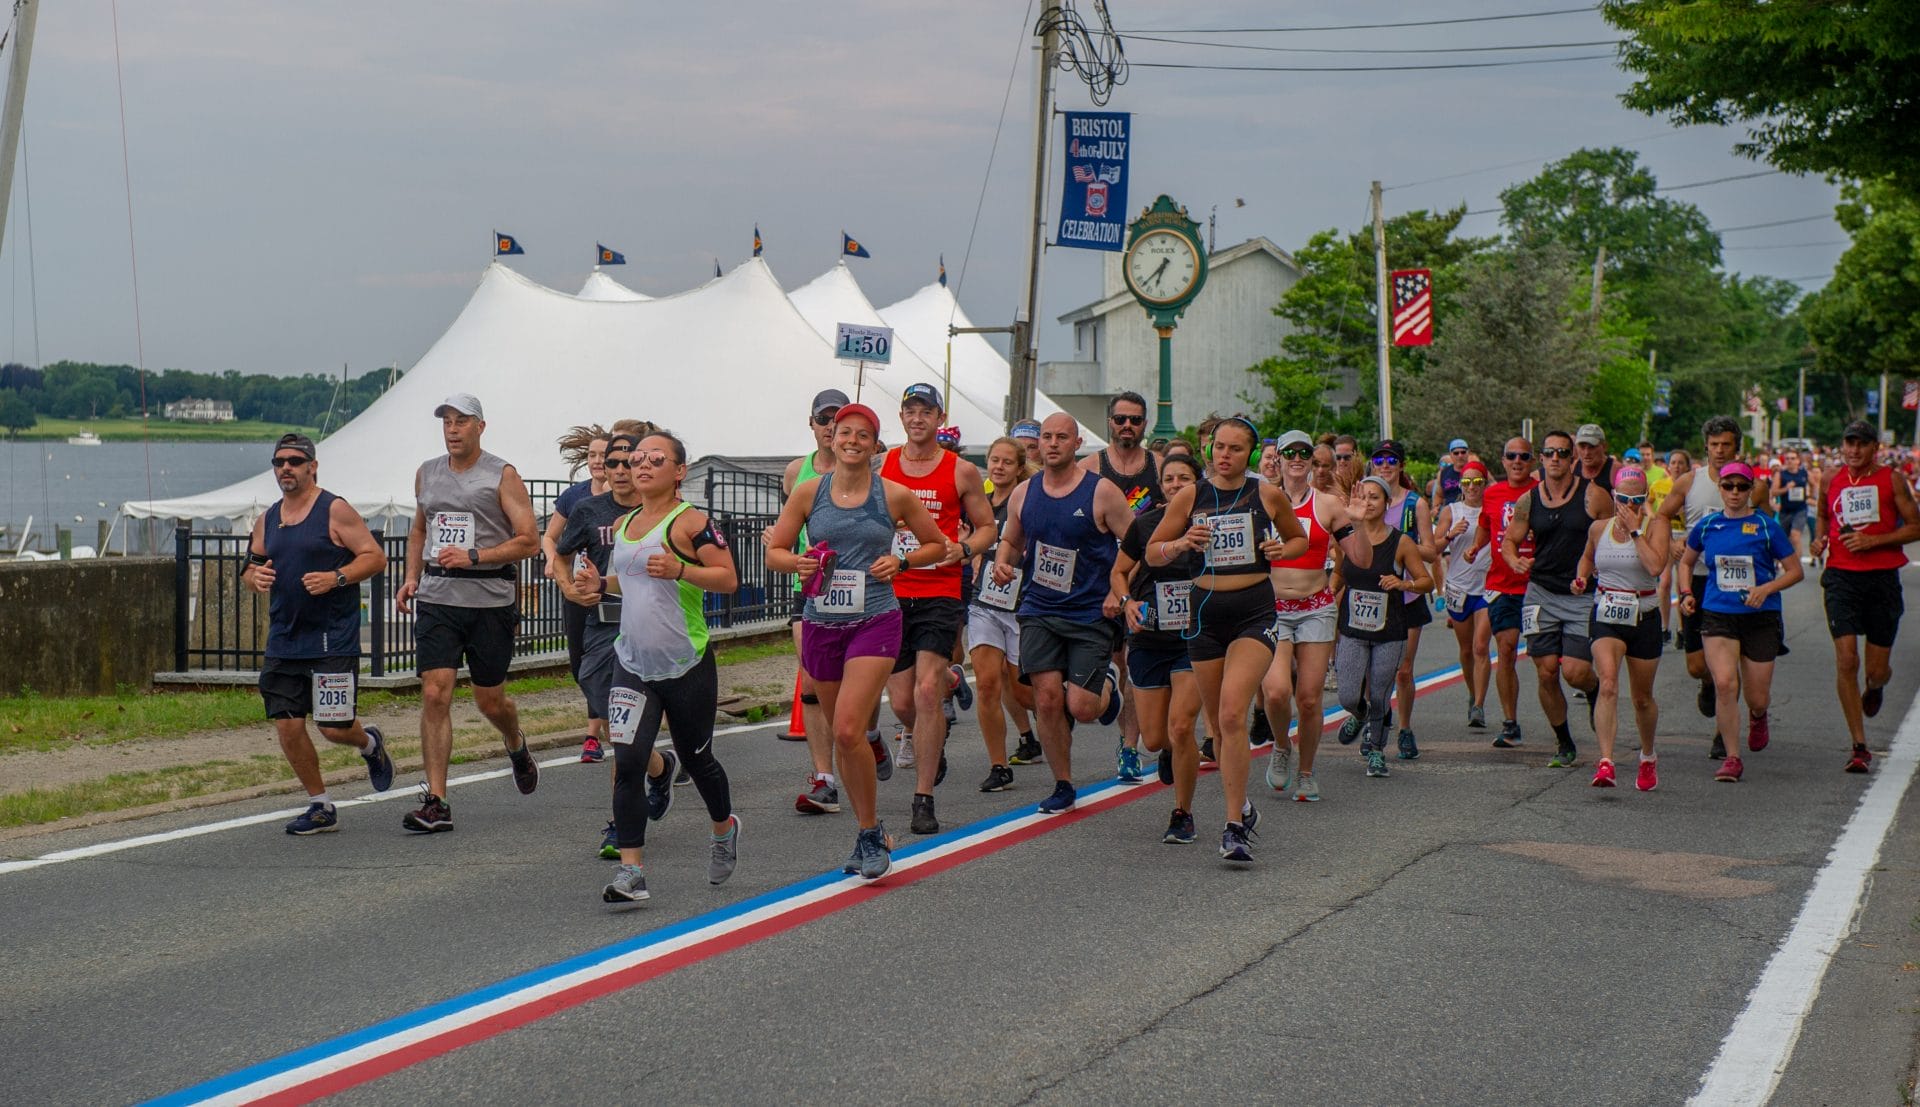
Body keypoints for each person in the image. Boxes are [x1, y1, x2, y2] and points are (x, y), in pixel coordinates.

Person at [766, 403, 947, 881]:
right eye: (842, 431)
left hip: (875, 619)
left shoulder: (894, 495)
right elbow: (775, 551)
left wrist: (902, 564)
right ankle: (870, 825)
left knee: (847, 729)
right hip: (822, 620)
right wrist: (799, 563)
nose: (850, 440)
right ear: (830, 437)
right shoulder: (808, 492)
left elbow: (937, 545)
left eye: (861, 435)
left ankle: (868, 833)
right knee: (844, 739)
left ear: (874, 444)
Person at [573, 431, 744, 903]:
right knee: (627, 761)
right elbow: (628, 582)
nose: (641, 466)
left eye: (655, 459)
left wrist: (682, 570)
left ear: (679, 471)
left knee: (697, 759)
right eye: (636, 459)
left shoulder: (693, 523)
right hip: (632, 663)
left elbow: (729, 579)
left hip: (685, 661)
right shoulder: (626, 523)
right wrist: (597, 582)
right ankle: (632, 872)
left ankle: (723, 829)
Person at [1144, 415, 1310, 863]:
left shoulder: (1266, 494)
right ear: (1208, 450)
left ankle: (1234, 825)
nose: (1225, 455)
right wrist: (1181, 544)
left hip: (1253, 613)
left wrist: (1281, 550)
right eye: (1220, 446)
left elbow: (1299, 541)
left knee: (1234, 713)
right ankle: (1243, 806)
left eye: (1236, 449)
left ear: (1250, 455)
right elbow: (1152, 553)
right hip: (1203, 616)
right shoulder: (1190, 496)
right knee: (1217, 729)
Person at [395, 394, 541, 833]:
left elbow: (530, 541)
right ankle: (437, 801)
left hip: (489, 600)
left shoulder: (502, 474)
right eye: (447, 422)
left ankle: (514, 742)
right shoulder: (427, 472)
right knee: (435, 692)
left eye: (462, 421)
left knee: (489, 700)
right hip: (438, 598)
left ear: (481, 426)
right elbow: (419, 529)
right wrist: (410, 577)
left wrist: (476, 555)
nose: (453, 429)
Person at [243, 433, 394, 834]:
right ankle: (320, 805)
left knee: (333, 727)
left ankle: (370, 745)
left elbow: (375, 557)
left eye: (294, 461)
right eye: (279, 462)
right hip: (284, 639)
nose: (285, 468)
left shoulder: (334, 510)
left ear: (313, 466)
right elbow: (250, 565)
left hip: (331, 638)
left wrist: (336, 577)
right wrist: (253, 577)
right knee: (288, 727)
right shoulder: (268, 518)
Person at [991, 413, 1133, 818]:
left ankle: (1107, 680)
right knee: (1048, 699)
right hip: (1039, 608)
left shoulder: (1101, 492)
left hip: (1090, 611)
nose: (1052, 444)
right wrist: (1004, 563)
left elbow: (1136, 544)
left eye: (1061, 437)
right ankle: (1063, 784)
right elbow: (1012, 540)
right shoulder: (1024, 492)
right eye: (1047, 437)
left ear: (1077, 442)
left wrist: (1115, 589)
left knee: (1083, 707)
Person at [555, 432, 679, 858]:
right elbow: (559, 553)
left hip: (647, 625)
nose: (623, 471)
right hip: (601, 627)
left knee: (623, 725)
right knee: (613, 723)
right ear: (603, 470)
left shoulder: (658, 512)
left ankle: (619, 825)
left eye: (630, 462)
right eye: (614, 464)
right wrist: (569, 588)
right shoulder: (590, 510)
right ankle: (659, 768)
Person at [882, 382, 997, 835]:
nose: (917, 419)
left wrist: (965, 549)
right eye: (910, 410)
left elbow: (987, 528)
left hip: (939, 590)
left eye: (925, 411)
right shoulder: (885, 465)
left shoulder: (961, 471)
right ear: (902, 416)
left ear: (938, 417)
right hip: (891, 591)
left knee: (928, 695)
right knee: (903, 701)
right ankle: (935, 739)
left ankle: (923, 797)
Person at [781, 388, 888, 815]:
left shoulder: (876, 473)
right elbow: (788, 528)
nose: (831, 429)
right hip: (812, 592)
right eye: (825, 420)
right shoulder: (797, 474)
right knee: (810, 683)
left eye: (839, 421)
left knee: (855, 703)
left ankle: (869, 735)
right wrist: (787, 553)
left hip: (870, 601)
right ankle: (824, 778)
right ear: (813, 425)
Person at [1261, 430, 1370, 804]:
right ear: (1277, 459)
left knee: (1308, 699)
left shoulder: (1328, 505)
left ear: (1311, 460)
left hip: (1315, 607)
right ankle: (1280, 745)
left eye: (1303, 452)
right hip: (1271, 609)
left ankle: (1306, 773)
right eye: (1288, 452)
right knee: (1276, 692)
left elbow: (1362, 560)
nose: (1296, 458)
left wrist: (1361, 522)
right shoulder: (1261, 500)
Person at [1656, 416, 1774, 754]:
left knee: (1730, 662)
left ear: (1737, 447)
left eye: (1726, 445)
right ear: (1705, 447)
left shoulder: (1754, 486)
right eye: (1714, 445)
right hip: (1699, 578)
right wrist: (1674, 546)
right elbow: (1662, 516)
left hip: (1738, 581)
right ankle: (1708, 684)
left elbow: (1768, 525)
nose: (1720, 451)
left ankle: (1725, 735)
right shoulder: (1688, 482)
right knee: (1697, 666)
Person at [1680, 462, 1803, 783]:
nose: (1734, 492)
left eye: (1741, 487)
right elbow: (1686, 561)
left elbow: (1795, 571)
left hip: (1760, 617)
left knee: (1757, 696)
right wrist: (1684, 592)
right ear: (1720, 489)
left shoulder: (1766, 526)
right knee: (1723, 684)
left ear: (1751, 490)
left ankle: (1758, 715)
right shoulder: (1707, 526)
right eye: (1728, 486)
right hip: (1719, 613)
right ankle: (1732, 758)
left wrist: (1766, 589)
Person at [1813, 420, 1920, 774]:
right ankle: (1859, 745)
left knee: (1875, 670)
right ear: (1842, 445)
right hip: (1842, 578)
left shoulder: (1891, 479)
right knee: (1846, 661)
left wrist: (1873, 541)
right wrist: (1820, 539)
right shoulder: (1830, 478)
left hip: (1881, 580)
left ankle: (1875, 686)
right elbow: (1823, 514)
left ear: (1876, 447)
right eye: (1849, 443)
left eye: (1862, 444)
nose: (1854, 450)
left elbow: (1915, 526)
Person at [1502, 429, 1613, 769]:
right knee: (1547, 671)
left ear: (1572, 459)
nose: (1555, 459)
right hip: (1541, 592)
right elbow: (1509, 540)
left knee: (1576, 672)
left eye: (1562, 453)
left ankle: (1593, 691)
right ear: (1541, 458)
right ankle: (1563, 741)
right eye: (1549, 453)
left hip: (1580, 595)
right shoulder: (1529, 500)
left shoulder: (1593, 496)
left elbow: (1610, 541)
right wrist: (1515, 560)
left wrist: (1594, 574)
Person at [1111, 452, 1205, 841]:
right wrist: (1126, 602)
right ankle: (1169, 751)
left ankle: (1182, 813)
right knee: (1154, 737)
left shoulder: (1212, 525)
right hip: (1149, 636)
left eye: (1184, 478)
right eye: (1169, 479)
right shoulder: (1145, 523)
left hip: (1194, 638)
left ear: (1197, 484)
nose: (1176, 484)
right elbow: (1118, 572)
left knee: (1182, 726)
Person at [1081, 390, 1163, 780]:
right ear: (1109, 423)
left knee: (1134, 660)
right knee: (1115, 666)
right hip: (1099, 582)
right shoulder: (1089, 468)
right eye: (1120, 419)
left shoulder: (1161, 469)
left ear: (1145, 424)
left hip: (1146, 583)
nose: (1127, 426)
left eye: (1135, 419)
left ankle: (1129, 748)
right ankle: (1120, 721)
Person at [1570, 466, 1668, 791]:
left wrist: (1636, 531)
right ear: (1614, 497)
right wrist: (1582, 577)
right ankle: (1606, 762)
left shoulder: (1656, 527)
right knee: (1609, 683)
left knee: (1641, 699)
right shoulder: (1599, 528)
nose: (1630, 506)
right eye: (1624, 499)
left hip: (1644, 614)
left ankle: (1648, 755)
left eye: (1637, 500)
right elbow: (1586, 558)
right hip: (1607, 611)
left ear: (1646, 498)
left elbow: (1655, 567)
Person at [1332, 476, 1433, 779]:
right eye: (1363, 497)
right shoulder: (1345, 538)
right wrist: (1324, 595)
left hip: (1390, 629)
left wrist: (1403, 583)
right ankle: (1358, 713)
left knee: (1379, 692)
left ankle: (1376, 750)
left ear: (1387, 504)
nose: (1368, 502)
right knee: (1348, 695)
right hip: (1352, 627)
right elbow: (1338, 575)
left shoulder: (1400, 541)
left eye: (1375, 497)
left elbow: (1428, 581)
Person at [971, 436, 1039, 791]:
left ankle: (1054, 719)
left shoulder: (1027, 501)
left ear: (1018, 467)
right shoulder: (978, 506)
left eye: (1006, 462)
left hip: (1022, 607)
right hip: (983, 605)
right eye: (993, 460)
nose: (998, 467)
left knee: (1026, 694)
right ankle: (998, 765)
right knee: (986, 684)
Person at [541, 424, 610, 763]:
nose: (598, 461)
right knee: (580, 663)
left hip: (613, 592)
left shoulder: (627, 496)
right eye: (593, 455)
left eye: (604, 455)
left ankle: (593, 736)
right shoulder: (574, 497)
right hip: (577, 590)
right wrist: (554, 562)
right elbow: (550, 536)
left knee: (605, 661)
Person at [1368, 440, 1438, 760]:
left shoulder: (1414, 504)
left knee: (1403, 670)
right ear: (1372, 464)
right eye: (1379, 459)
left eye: (1391, 459)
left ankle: (1405, 729)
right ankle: (1376, 723)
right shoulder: (1365, 499)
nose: (1385, 464)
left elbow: (1431, 550)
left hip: (1407, 594)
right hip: (1371, 595)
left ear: (1401, 465)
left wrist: (1399, 543)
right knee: (1373, 670)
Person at [1479, 437, 1538, 748]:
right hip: (1502, 586)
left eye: (1523, 456)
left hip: (1539, 586)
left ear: (1532, 461)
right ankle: (1510, 722)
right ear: (1502, 461)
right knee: (1506, 649)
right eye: (1511, 456)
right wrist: (1476, 546)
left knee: (1547, 661)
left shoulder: (1542, 494)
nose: (1517, 461)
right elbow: (1484, 525)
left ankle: (1557, 720)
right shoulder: (1492, 494)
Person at [1437, 459, 1492, 729]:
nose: (1472, 487)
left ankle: (1479, 705)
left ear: (1484, 484)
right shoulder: (1452, 510)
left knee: (1481, 647)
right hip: (1458, 588)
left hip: (1486, 588)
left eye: (1477, 482)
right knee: (1466, 650)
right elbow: (1433, 548)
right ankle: (1472, 693)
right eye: (1467, 483)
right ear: (1461, 485)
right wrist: (1450, 534)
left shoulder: (1492, 509)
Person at [1773, 446, 1815, 561]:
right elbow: (1773, 492)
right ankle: (1785, 563)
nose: (1790, 461)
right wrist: (1786, 488)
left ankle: (1797, 566)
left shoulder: (1804, 473)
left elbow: (1814, 484)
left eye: (1793, 458)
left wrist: (1810, 495)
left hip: (1800, 509)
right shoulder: (1781, 474)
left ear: (1798, 460)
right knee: (1785, 540)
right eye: (1787, 459)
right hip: (1785, 511)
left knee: (1795, 537)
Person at [1574, 423, 1617, 492]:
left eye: (1592, 447)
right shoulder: (1573, 467)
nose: (1586, 452)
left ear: (1604, 446)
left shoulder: (1615, 470)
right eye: (1582, 447)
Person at [1434, 438, 1470, 506]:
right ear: (1450, 454)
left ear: (1468, 453)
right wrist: (1435, 507)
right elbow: (1439, 494)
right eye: (1456, 453)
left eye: (1463, 452)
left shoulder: (1477, 470)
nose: (1460, 456)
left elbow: (1492, 485)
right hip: (1450, 512)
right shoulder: (1443, 473)